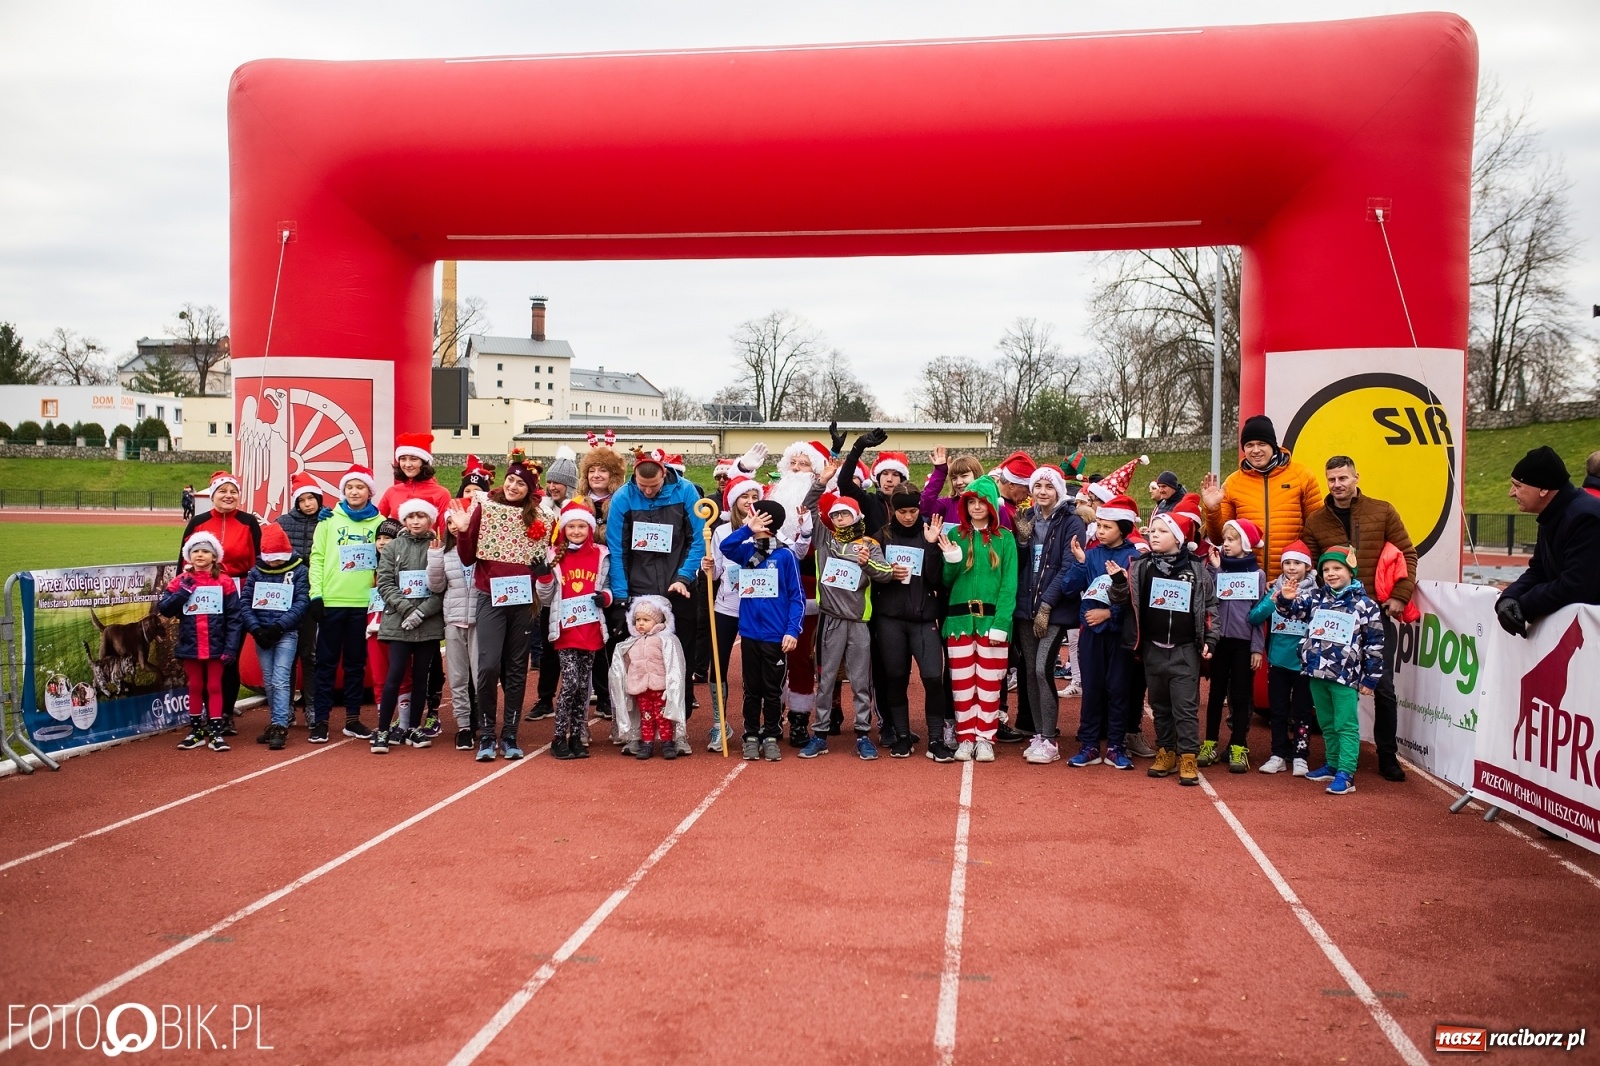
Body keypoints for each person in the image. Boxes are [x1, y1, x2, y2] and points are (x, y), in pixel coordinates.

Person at [1298, 455, 1418, 781]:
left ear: (1355, 478)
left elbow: (1407, 553)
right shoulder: (1316, 521)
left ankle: (1387, 755)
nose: (1338, 484)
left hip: (1374, 613)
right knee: (1329, 688)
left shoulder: (1383, 510)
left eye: (1343, 478)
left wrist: (1400, 596)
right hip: (1334, 622)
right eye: (1332, 479)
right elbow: (1309, 569)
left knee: (1384, 688)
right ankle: (1335, 761)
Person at [605, 447, 708, 755]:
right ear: (634, 478)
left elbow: (698, 538)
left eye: (654, 486)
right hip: (639, 593)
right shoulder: (623, 498)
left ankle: (678, 731)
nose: (648, 492)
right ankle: (636, 731)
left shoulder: (686, 491)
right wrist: (622, 596)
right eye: (642, 486)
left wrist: (685, 577)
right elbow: (617, 548)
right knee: (638, 667)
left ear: (665, 474)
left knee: (678, 663)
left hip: (679, 590)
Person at [1106, 507, 1217, 787]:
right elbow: (1122, 600)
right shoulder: (1142, 566)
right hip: (1153, 649)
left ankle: (1188, 754)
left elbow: (1211, 608)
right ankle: (1166, 751)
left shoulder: (1196, 570)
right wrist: (1118, 582)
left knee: (1185, 707)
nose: (1154, 535)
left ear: (1178, 538)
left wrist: (1211, 640)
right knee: (1160, 706)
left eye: (1162, 531)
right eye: (1152, 531)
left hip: (1185, 650)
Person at [451, 456, 547, 762]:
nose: (513, 486)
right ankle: (487, 734)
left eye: (521, 483)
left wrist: (543, 566)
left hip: (522, 601)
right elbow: (467, 558)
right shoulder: (486, 510)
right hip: (489, 597)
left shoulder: (539, 519)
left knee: (517, 668)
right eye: (510, 480)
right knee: (488, 665)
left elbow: (546, 558)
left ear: (530, 489)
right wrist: (464, 530)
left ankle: (510, 735)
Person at [1276, 546, 1384, 796]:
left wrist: (1371, 677)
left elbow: (1376, 644)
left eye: (1337, 568)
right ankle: (1332, 764)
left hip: (1344, 676)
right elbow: (1292, 612)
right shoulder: (1316, 598)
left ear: (1350, 571)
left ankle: (1346, 774)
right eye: (1326, 569)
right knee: (1326, 722)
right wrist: (1286, 598)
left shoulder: (1366, 605)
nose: (1331, 573)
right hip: (1316, 672)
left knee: (1345, 724)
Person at [798, 492, 894, 759]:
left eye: (845, 514)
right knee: (826, 679)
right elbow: (808, 507)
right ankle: (820, 734)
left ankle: (863, 734)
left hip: (859, 623)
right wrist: (820, 482)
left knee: (861, 681)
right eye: (836, 515)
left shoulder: (869, 544)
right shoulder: (825, 539)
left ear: (856, 516)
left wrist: (868, 562)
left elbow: (886, 575)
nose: (840, 519)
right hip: (830, 621)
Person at [1049, 493, 1141, 769]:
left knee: (1118, 689)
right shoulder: (1090, 555)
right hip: (1091, 634)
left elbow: (1136, 600)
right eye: (1098, 526)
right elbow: (1069, 588)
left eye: (1106, 527)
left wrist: (1109, 614)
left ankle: (1115, 745)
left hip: (1118, 636)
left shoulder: (1134, 558)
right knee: (1092, 689)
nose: (1099, 531)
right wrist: (1079, 562)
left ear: (1122, 529)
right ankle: (1089, 745)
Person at [936, 476, 1017, 763]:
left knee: (990, 682)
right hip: (959, 622)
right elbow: (946, 582)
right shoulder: (955, 535)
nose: (976, 506)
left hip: (991, 621)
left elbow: (1009, 585)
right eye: (971, 502)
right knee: (961, 683)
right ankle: (965, 737)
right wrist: (951, 560)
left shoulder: (1005, 539)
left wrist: (1002, 623)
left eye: (981, 501)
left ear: (991, 505)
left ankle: (985, 737)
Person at [719, 499, 805, 761]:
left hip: (776, 635)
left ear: (766, 522)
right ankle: (751, 734)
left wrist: (792, 630)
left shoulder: (785, 555)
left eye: (754, 516)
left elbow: (796, 596)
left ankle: (770, 734)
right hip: (749, 633)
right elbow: (725, 546)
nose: (749, 518)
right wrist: (746, 529)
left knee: (772, 689)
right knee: (751, 688)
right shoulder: (746, 551)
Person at [178, 470, 261, 735]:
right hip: (202, 596)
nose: (228, 496)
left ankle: (225, 713)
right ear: (213, 495)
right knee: (204, 655)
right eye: (222, 491)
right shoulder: (198, 522)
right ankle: (203, 712)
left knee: (228, 655)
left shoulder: (249, 522)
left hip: (238, 591)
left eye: (233, 491)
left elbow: (259, 561)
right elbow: (183, 562)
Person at [307, 466, 384, 743]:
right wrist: (316, 595)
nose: (354, 491)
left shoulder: (381, 523)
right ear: (343, 491)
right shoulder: (327, 520)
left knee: (355, 664)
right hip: (331, 601)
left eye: (360, 487)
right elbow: (316, 558)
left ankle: (353, 719)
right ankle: (321, 721)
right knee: (325, 663)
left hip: (364, 602)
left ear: (369, 492)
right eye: (349, 487)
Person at [1017, 465, 1087, 765]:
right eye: (1038, 486)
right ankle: (1038, 732)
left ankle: (1049, 738)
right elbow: (1019, 564)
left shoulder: (1072, 522)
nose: (1042, 491)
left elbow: (1068, 566)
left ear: (1058, 489)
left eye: (1048, 486)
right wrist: (1021, 542)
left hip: (1054, 609)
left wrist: (1047, 604)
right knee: (1030, 671)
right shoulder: (1027, 518)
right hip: (1025, 607)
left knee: (1042, 669)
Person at [872, 486, 948, 760]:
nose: (907, 516)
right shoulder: (882, 537)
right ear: (893, 510)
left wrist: (930, 545)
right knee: (895, 678)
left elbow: (938, 579)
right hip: (890, 619)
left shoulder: (930, 533)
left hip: (923, 618)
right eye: (902, 511)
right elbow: (870, 575)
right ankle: (902, 736)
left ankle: (936, 739)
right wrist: (886, 573)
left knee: (932, 679)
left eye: (913, 511)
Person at [1200, 416, 1322, 582]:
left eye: (1262, 444)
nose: (1255, 450)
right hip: (1246, 578)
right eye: (1249, 445)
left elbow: (1316, 530)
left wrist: (1305, 570)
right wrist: (1213, 509)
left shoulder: (1302, 476)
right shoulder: (1233, 482)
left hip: (1291, 580)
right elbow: (1219, 539)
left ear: (1273, 445)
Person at [536, 499, 613, 760]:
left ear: (589, 528)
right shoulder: (552, 555)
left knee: (583, 686)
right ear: (563, 529)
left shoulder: (601, 554)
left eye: (582, 526)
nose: (577, 531)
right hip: (566, 630)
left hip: (590, 628)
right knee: (569, 682)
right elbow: (546, 598)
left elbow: (609, 586)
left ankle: (577, 735)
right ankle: (559, 737)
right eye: (571, 527)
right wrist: (544, 577)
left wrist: (606, 597)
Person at [1496, 446, 1600, 635]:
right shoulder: (1554, 513)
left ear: (1543, 489)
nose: (1511, 493)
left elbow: (1575, 586)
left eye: (1518, 486)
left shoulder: (1585, 517)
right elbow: (1539, 570)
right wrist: (1509, 597)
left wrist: (1523, 604)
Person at [371, 499, 447, 754]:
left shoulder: (439, 547)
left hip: (428, 624)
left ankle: (414, 726)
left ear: (430, 520)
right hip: (399, 623)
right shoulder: (393, 547)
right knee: (394, 676)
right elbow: (384, 583)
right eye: (411, 516)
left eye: (421, 516)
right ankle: (383, 729)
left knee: (421, 678)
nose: (416, 521)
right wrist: (407, 609)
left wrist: (422, 612)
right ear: (404, 520)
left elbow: (443, 586)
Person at [160, 531, 244, 752]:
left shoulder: (224, 582)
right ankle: (196, 731)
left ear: (214, 556)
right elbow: (165, 609)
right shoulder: (181, 581)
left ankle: (216, 733)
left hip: (217, 646)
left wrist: (231, 647)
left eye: (205, 551)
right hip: (191, 644)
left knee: (214, 686)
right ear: (188, 555)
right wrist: (183, 592)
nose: (200, 555)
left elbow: (235, 618)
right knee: (195, 686)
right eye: (195, 551)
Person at [1199, 518, 1266, 773]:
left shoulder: (1257, 575)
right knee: (1215, 694)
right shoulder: (1219, 570)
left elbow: (1259, 614)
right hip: (1220, 641)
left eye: (1231, 540)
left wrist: (1257, 648)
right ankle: (1210, 743)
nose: (1225, 544)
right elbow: (1210, 600)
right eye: (1224, 540)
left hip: (1243, 643)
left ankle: (1238, 745)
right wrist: (1216, 570)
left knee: (1240, 695)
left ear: (1246, 544)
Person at [703, 474, 762, 750]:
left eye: (754, 497)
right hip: (726, 605)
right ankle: (719, 722)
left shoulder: (766, 529)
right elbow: (716, 573)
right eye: (744, 497)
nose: (750, 502)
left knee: (757, 667)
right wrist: (707, 566)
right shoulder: (721, 532)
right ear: (733, 500)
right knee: (717, 663)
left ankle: (758, 723)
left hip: (757, 608)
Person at [1249, 541, 1317, 776]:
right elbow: (1255, 617)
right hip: (1278, 662)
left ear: (1307, 567)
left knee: (1302, 711)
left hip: (1305, 664)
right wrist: (1273, 600)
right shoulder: (1274, 589)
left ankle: (1300, 756)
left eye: (1297, 563)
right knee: (1277, 711)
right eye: (1287, 563)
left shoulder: (1317, 594)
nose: (1291, 567)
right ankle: (1277, 754)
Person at [241, 524, 310, 751]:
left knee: (281, 678)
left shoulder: (299, 571)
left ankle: (281, 724)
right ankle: (275, 721)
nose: (273, 564)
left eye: (278, 559)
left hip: (286, 633)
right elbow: (245, 603)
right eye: (270, 559)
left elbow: (301, 602)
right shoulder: (256, 572)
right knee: (269, 680)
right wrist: (256, 630)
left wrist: (280, 627)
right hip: (262, 634)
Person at [610, 597, 687, 759]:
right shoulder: (631, 642)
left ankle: (667, 743)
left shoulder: (665, 641)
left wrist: (670, 687)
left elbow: (672, 665)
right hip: (641, 689)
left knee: (662, 717)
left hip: (660, 688)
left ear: (657, 620)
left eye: (646, 620)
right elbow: (626, 664)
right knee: (646, 717)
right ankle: (647, 744)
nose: (641, 623)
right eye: (638, 620)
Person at [276, 473, 324, 718]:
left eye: (312, 498)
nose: (308, 504)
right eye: (302, 500)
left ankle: (312, 706)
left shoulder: (328, 521)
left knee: (310, 652)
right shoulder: (282, 522)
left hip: (314, 593)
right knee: (287, 653)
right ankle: (286, 707)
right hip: (286, 595)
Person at [439, 490, 480, 752]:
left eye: (460, 521)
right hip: (453, 621)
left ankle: (485, 724)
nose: (455, 527)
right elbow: (435, 586)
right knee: (457, 677)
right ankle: (464, 726)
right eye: (450, 522)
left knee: (481, 676)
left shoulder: (481, 551)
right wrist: (433, 558)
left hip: (479, 621)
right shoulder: (443, 554)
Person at [921, 447, 987, 526]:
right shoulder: (947, 504)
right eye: (954, 478)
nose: (958, 482)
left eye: (964, 476)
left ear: (977, 476)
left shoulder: (992, 504)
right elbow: (926, 508)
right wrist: (940, 471)